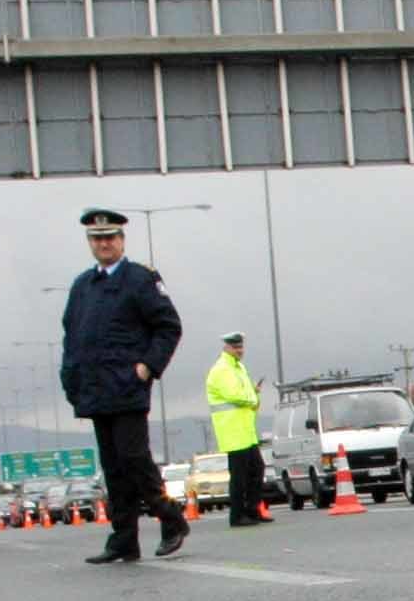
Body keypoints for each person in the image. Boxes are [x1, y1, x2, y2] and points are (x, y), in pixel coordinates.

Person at [59, 207, 189, 564]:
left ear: (121, 240)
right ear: (90, 243)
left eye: (110, 237)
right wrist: (70, 380)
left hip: (128, 387)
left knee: (134, 458)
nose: (104, 244)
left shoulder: (139, 279)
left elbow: (169, 326)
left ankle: (170, 517)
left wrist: (148, 367)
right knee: (113, 466)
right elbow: (72, 338)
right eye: (97, 239)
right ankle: (123, 538)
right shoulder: (82, 286)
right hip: (96, 390)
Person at [203, 332, 267, 529]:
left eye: (241, 347)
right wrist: (253, 397)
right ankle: (238, 515)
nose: (239, 351)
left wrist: (253, 394)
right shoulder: (222, 369)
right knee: (239, 475)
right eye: (235, 347)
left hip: (245, 429)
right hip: (232, 431)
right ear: (226, 348)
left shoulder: (238, 367)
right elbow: (236, 395)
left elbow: (245, 394)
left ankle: (252, 510)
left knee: (256, 469)